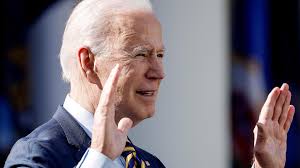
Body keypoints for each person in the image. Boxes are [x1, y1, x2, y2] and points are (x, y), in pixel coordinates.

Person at [4, 0, 295, 168]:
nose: (159, 71)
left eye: (160, 54)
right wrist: (99, 159)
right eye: (140, 54)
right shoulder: (34, 156)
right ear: (88, 62)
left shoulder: (147, 164)